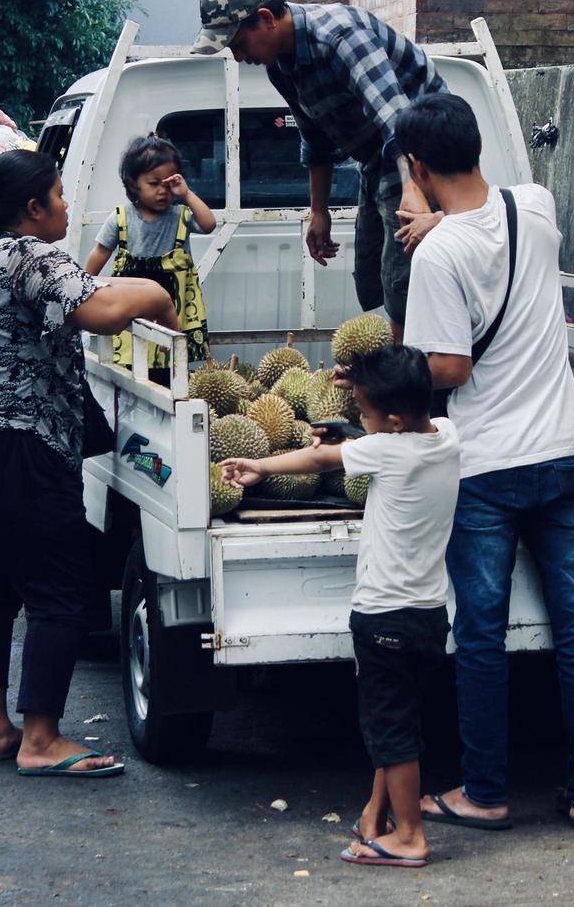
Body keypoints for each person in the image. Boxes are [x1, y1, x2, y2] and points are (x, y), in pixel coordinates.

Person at [396, 93, 574, 832]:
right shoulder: (537, 206)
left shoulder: (438, 255)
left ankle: (485, 792)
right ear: (478, 146)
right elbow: (485, 215)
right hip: (562, 453)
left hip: (485, 467)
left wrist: (383, 381)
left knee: (482, 634)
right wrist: (438, 211)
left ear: (418, 167)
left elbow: (450, 367)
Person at [0, 150, 179, 777]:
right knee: (61, 591)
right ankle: (41, 740)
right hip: (22, 447)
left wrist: (143, 291)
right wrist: (155, 292)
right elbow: (97, 309)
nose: (68, 207)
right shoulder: (33, 255)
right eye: (59, 196)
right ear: (32, 209)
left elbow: (92, 289)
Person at [220, 345, 460, 869]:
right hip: (428, 614)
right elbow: (384, 437)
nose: (360, 423)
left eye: (366, 415)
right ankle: (377, 815)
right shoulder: (446, 434)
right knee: (397, 722)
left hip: (383, 617)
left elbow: (319, 458)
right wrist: (362, 430)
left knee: (390, 731)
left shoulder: (385, 451)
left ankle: (410, 837)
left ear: (392, 422)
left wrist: (258, 465)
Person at [191, 0, 447, 341]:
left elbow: (397, 120)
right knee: (371, 273)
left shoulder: (341, 35)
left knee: (403, 276)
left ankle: (416, 381)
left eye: (239, 44)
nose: (238, 56)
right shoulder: (280, 64)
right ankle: (399, 366)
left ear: (265, 19)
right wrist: (318, 210)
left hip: (425, 151)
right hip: (378, 158)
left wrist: (414, 188)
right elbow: (315, 137)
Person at [85, 133, 216, 372]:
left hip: (174, 309)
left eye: (168, 185)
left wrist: (186, 194)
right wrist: (83, 288)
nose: (163, 191)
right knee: (130, 358)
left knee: (171, 363)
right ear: (134, 184)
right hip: (131, 306)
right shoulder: (121, 218)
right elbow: (99, 253)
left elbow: (209, 224)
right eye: (154, 184)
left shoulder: (180, 217)